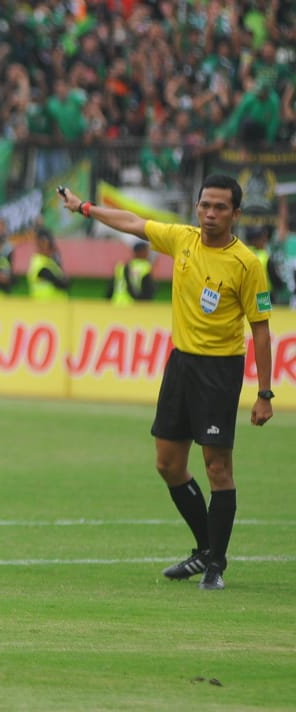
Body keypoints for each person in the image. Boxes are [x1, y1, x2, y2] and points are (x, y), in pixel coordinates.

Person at [58, 176, 273, 590]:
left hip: (220, 371)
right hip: (181, 365)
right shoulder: (182, 240)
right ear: (196, 207)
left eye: (220, 208)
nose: (210, 214)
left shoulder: (247, 263)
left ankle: (215, 566)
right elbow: (133, 223)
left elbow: (261, 329)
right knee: (168, 464)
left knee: (217, 468)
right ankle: (204, 549)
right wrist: (85, 208)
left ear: (236, 214)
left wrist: (264, 393)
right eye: (205, 205)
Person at [26, 228, 71, 300]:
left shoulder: (51, 262)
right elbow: (61, 283)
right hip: (45, 307)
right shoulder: (39, 263)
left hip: (55, 307)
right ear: (43, 243)